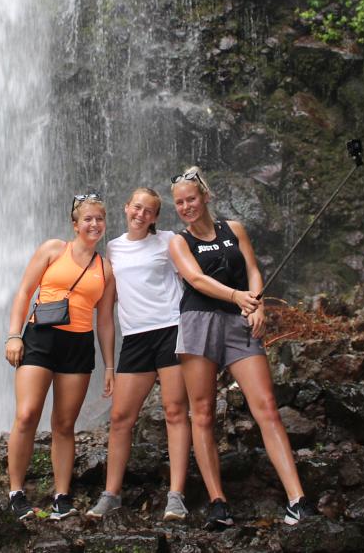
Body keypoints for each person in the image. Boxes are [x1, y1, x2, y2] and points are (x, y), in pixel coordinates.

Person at [168, 167, 318, 529]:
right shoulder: (178, 241)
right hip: (198, 322)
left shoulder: (233, 229)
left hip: (238, 324)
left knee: (266, 406)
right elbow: (196, 279)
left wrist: (260, 305)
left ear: (205, 196)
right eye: (179, 203)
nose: (186, 206)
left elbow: (252, 268)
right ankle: (218, 502)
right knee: (202, 412)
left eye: (191, 198)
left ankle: (297, 499)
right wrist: (238, 297)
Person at [4, 193, 116, 521]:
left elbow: (106, 321)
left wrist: (110, 364)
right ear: (75, 224)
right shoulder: (54, 249)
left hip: (78, 345)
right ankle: (16, 492)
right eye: (88, 219)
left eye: (99, 219)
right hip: (40, 337)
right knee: (27, 414)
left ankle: (61, 498)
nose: (94, 224)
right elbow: (25, 291)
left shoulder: (105, 269)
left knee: (65, 424)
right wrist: (14, 335)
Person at [86, 188, 191, 522]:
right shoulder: (113, 249)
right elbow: (106, 309)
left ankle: (176, 496)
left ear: (156, 217)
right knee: (120, 418)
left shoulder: (169, 241)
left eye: (149, 211)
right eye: (136, 207)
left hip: (171, 329)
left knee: (175, 411)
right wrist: (108, 363)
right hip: (134, 338)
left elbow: (193, 279)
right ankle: (111, 494)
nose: (141, 214)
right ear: (126, 208)